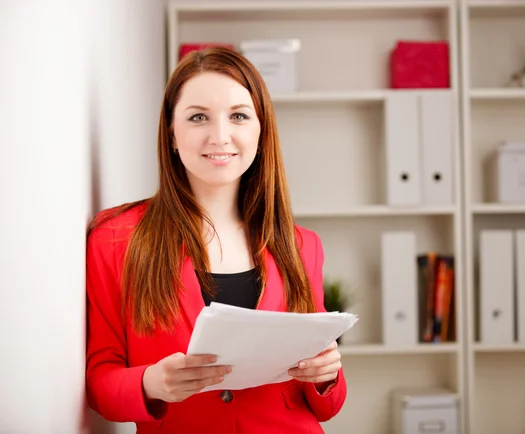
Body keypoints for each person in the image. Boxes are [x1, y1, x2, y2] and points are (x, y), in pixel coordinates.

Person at [85, 46, 347, 433]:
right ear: (172, 134)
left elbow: (327, 407)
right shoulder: (116, 239)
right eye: (198, 117)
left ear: (260, 131)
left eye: (239, 116)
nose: (220, 136)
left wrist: (327, 374)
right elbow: (100, 382)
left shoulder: (301, 245)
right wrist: (149, 383)